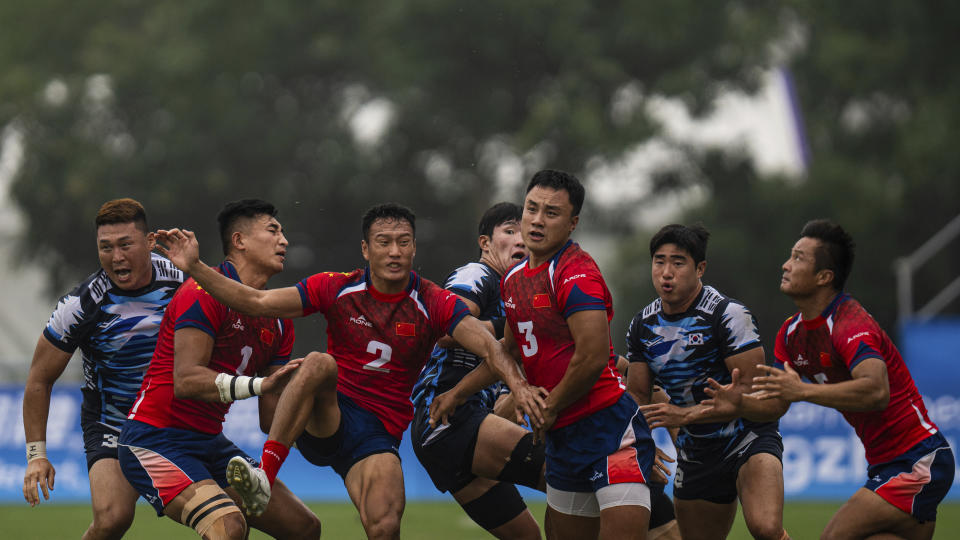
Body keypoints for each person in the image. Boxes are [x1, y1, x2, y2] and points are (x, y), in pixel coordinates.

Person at [155, 202, 543, 540]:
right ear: (365, 249)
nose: (394, 251)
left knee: (385, 525)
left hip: (376, 434)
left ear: (413, 249)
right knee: (320, 363)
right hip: (331, 416)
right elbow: (255, 300)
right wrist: (195, 267)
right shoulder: (335, 288)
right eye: (384, 242)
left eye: (403, 242)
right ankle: (265, 476)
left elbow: (491, 347)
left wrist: (518, 386)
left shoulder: (433, 301)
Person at [432, 170, 656, 540]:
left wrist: (549, 407)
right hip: (563, 440)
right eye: (531, 209)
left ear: (572, 223)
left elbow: (594, 356)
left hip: (609, 432)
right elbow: (507, 353)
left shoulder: (576, 272)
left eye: (551, 213)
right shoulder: (513, 279)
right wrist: (458, 394)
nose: (536, 220)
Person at [117, 199, 320, 539]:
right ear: (239, 240)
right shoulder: (202, 290)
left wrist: (330, 425)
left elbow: (271, 419)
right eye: (273, 231)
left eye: (283, 233)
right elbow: (186, 380)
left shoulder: (280, 322)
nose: (284, 241)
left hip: (210, 443)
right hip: (154, 440)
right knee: (227, 526)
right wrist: (259, 385)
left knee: (304, 528)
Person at [742, 219, 954, 539]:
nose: (785, 265)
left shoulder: (849, 323)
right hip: (885, 464)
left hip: (918, 458)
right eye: (790, 255)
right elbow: (776, 402)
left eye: (798, 258)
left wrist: (801, 391)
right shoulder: (790, 332)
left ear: (824, 276)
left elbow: (876, 390)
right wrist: (734, 404)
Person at [22, 198, 184, 539]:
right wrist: (36, 455)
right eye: (106, 247)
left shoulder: (183, 279)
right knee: (112, 519)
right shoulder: (80, 306)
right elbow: (39, 378)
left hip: (178, 420)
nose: (116, 257)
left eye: (125, 244)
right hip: (114, 424)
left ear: (151, 241)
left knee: (232, 516)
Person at [625, 224, 789, 540]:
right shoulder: (642, 325)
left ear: (700, 268)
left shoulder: (729, 315)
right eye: (659, 261)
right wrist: (636, 443)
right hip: (696, 449)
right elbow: (637, 395)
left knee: (766, 528)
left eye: (678, 262)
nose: (666, 272)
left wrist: (685, 416)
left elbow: (758, 397)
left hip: (747, 436)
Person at [410, 202, 547, 539]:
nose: (520, 241)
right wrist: (507, 327)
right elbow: (444, 331)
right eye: (510, 231)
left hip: (450, 427)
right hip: (449, 417)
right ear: (485, 243)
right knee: (568, 473)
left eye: (525, 234)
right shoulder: (477, 273)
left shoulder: (516, 292)